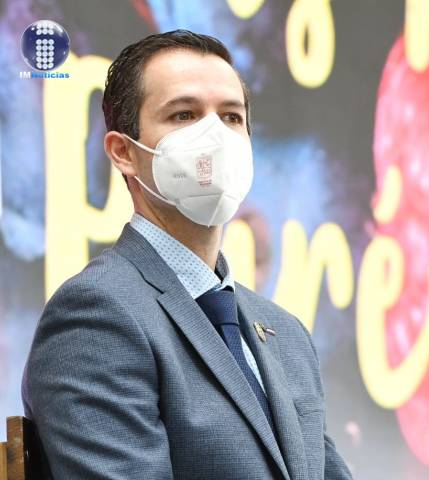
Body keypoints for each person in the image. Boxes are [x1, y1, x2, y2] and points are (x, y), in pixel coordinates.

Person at [22, 29, 353, 480]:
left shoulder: (286, 333)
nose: (215, 136)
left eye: (232, 117)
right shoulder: (97, 314)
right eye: (183, 115)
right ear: (123, 152)